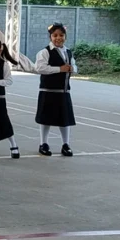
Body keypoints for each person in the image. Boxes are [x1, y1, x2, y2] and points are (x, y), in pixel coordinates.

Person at [35, 23, 77, 157]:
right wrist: (60, 69)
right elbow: (40, 68)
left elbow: (74, 65)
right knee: (45, 118)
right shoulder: (45, 52)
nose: (58, 38)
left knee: (64, 119)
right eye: (55, 35)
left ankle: (66, 144)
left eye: (61, 35)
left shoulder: (68, 52)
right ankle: (43, 143)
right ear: (50, 37)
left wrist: (72, 69)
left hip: (63, 91)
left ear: (65, 36)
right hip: (48, 90)